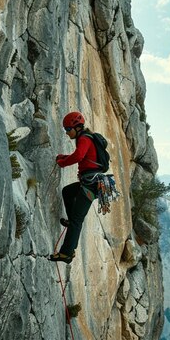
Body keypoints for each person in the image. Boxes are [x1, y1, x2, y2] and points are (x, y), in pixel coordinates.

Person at [48, 111, 100, 264]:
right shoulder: (85, 138)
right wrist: (64, 157)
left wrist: (62, 163)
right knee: (68, 192)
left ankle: (66, 254)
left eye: (67, 129)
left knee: (77, 221)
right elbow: (80, 155)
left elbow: (78, 156)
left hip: (90, 186)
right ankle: (71, 224)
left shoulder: (84, 138)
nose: (66, 133)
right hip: (90, 183)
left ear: (76, 128)